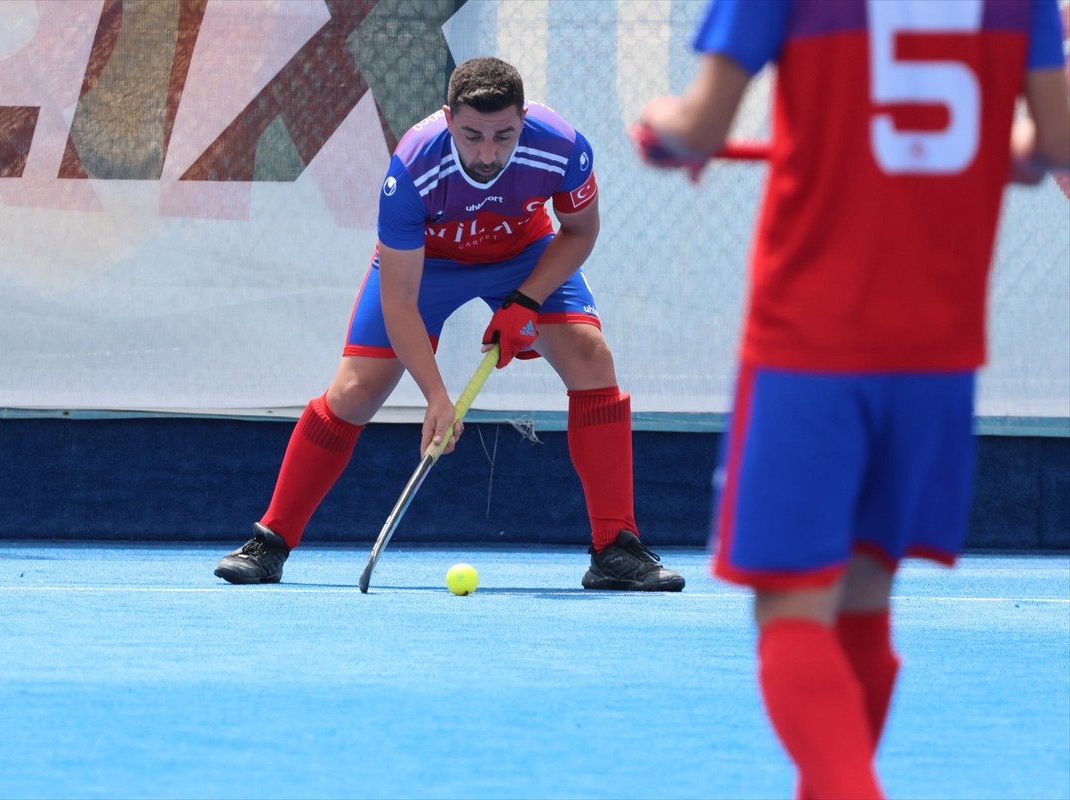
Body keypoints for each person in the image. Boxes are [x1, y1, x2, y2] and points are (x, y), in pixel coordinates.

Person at [633, 0, 1069, 796]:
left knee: (792, 608)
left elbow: (699, 126)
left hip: (812, 343)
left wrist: (659, 125)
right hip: (939, 353)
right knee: (865, 594)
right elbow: (1055, 148)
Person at [215, 56, 685, 592]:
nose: (488, 154)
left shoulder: (562, 146)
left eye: (504, 135)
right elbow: (398, 301)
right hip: (430, 262)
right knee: (355, 389)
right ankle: (270, 541)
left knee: (591, 355)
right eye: (472, 136)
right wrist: (436, 396)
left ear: (524, 118)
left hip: (523, 254)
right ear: (447, 118)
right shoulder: (413, 167)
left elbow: (579, 230)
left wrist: (526, 302)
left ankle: (615, 548)